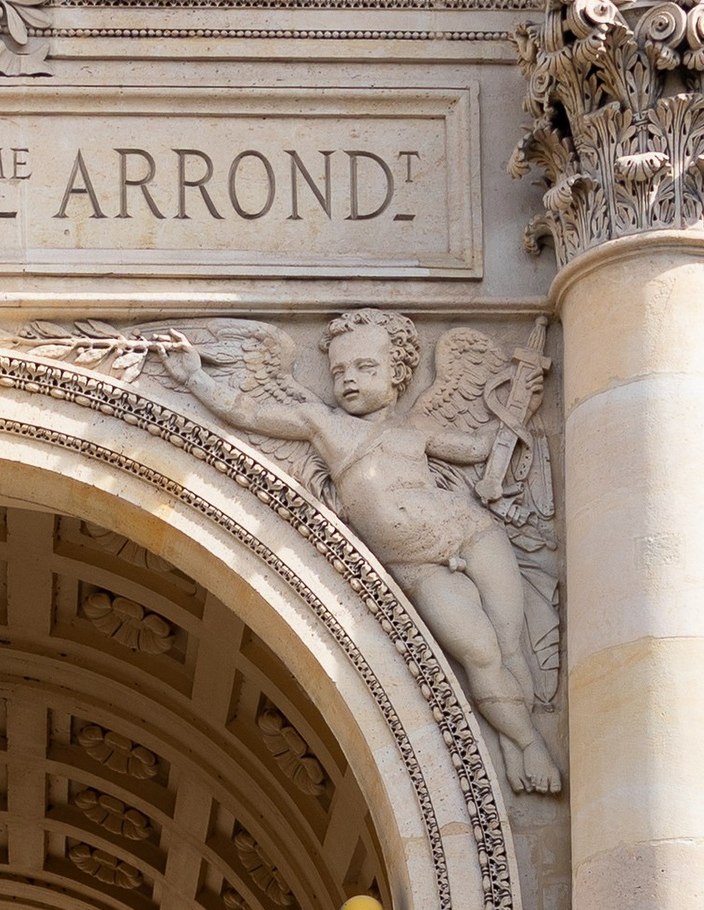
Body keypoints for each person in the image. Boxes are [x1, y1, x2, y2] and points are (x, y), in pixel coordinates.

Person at [164, 307, 563, 794]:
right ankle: (522, 741)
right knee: (480, 654)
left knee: (509, 644)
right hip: (415, 566)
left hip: (473, 532)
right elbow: (248, 413)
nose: (349, 380)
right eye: (339, 371)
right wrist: (196, 379)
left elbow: (480, 448)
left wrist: (518, 407)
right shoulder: (324, 425)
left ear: (397, 374)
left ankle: (520, 743)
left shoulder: (415, 429)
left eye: (365, 368)